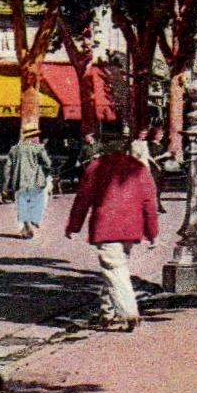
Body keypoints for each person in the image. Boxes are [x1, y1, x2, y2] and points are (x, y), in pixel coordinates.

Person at [65, 135, 159, 331]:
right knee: (115, 268)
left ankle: (128, 312)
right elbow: (150, 203)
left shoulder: (96, 167)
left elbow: (83, 199)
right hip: (131, 228)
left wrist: (74, 226)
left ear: (106, 147)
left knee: (114, 271)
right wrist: (152, 233)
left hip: (106, 227)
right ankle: (107, 314)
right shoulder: (139, 168)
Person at [5, 124, 56, 238]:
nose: (37, 138)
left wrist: (7, 184)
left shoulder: (14, 149)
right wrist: (43, 172)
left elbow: (8, 168)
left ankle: (25, 228)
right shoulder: (38, 149)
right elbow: (48, 164)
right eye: (36, 136)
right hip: (35, 181)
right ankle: (31, 220)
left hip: (18, 183)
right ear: (31, 137)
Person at [127, 133, 168, 214]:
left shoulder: (145, 143)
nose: (144, 135)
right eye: (142, 133)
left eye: (145, 134)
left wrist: (156, 165)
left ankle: (149, 207)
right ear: (138, 134)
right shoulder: (134, 144)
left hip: (146, 166)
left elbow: (148, 156)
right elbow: (134, 156)